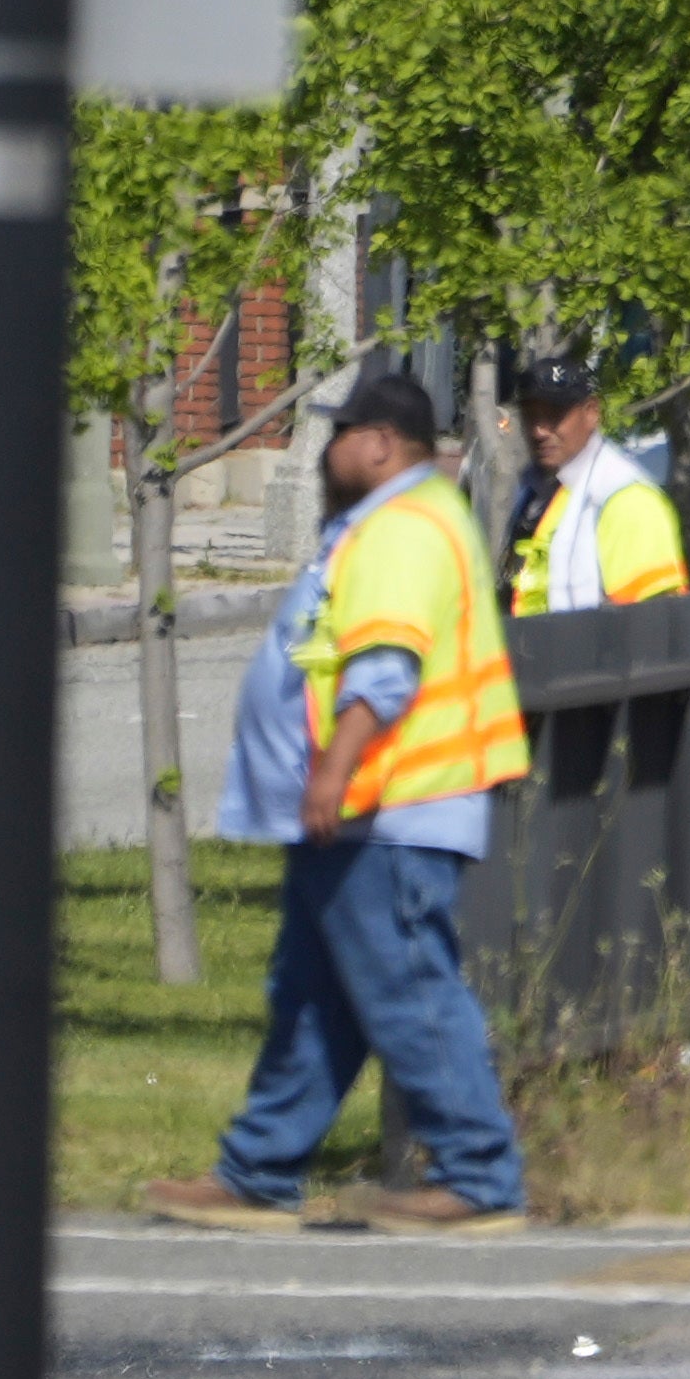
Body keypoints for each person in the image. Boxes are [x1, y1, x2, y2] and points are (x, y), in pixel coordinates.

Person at [142, 365, 531, 1232]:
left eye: (341, 435)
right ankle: (258, 1170)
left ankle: (480, 1175)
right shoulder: (395, 524)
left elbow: (385, 668)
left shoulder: (402, 528)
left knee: (408, 990)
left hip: (386, 810)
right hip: (364, 812)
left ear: (381, 444)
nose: (328, 452)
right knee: (317, 997)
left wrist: (332, 772)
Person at [503, 359, 687, 619]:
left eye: (554, 415)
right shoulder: (538, 488)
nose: (539, 430)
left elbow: (657, 623)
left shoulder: (628, 500)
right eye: (530, 415)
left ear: (591, 412)